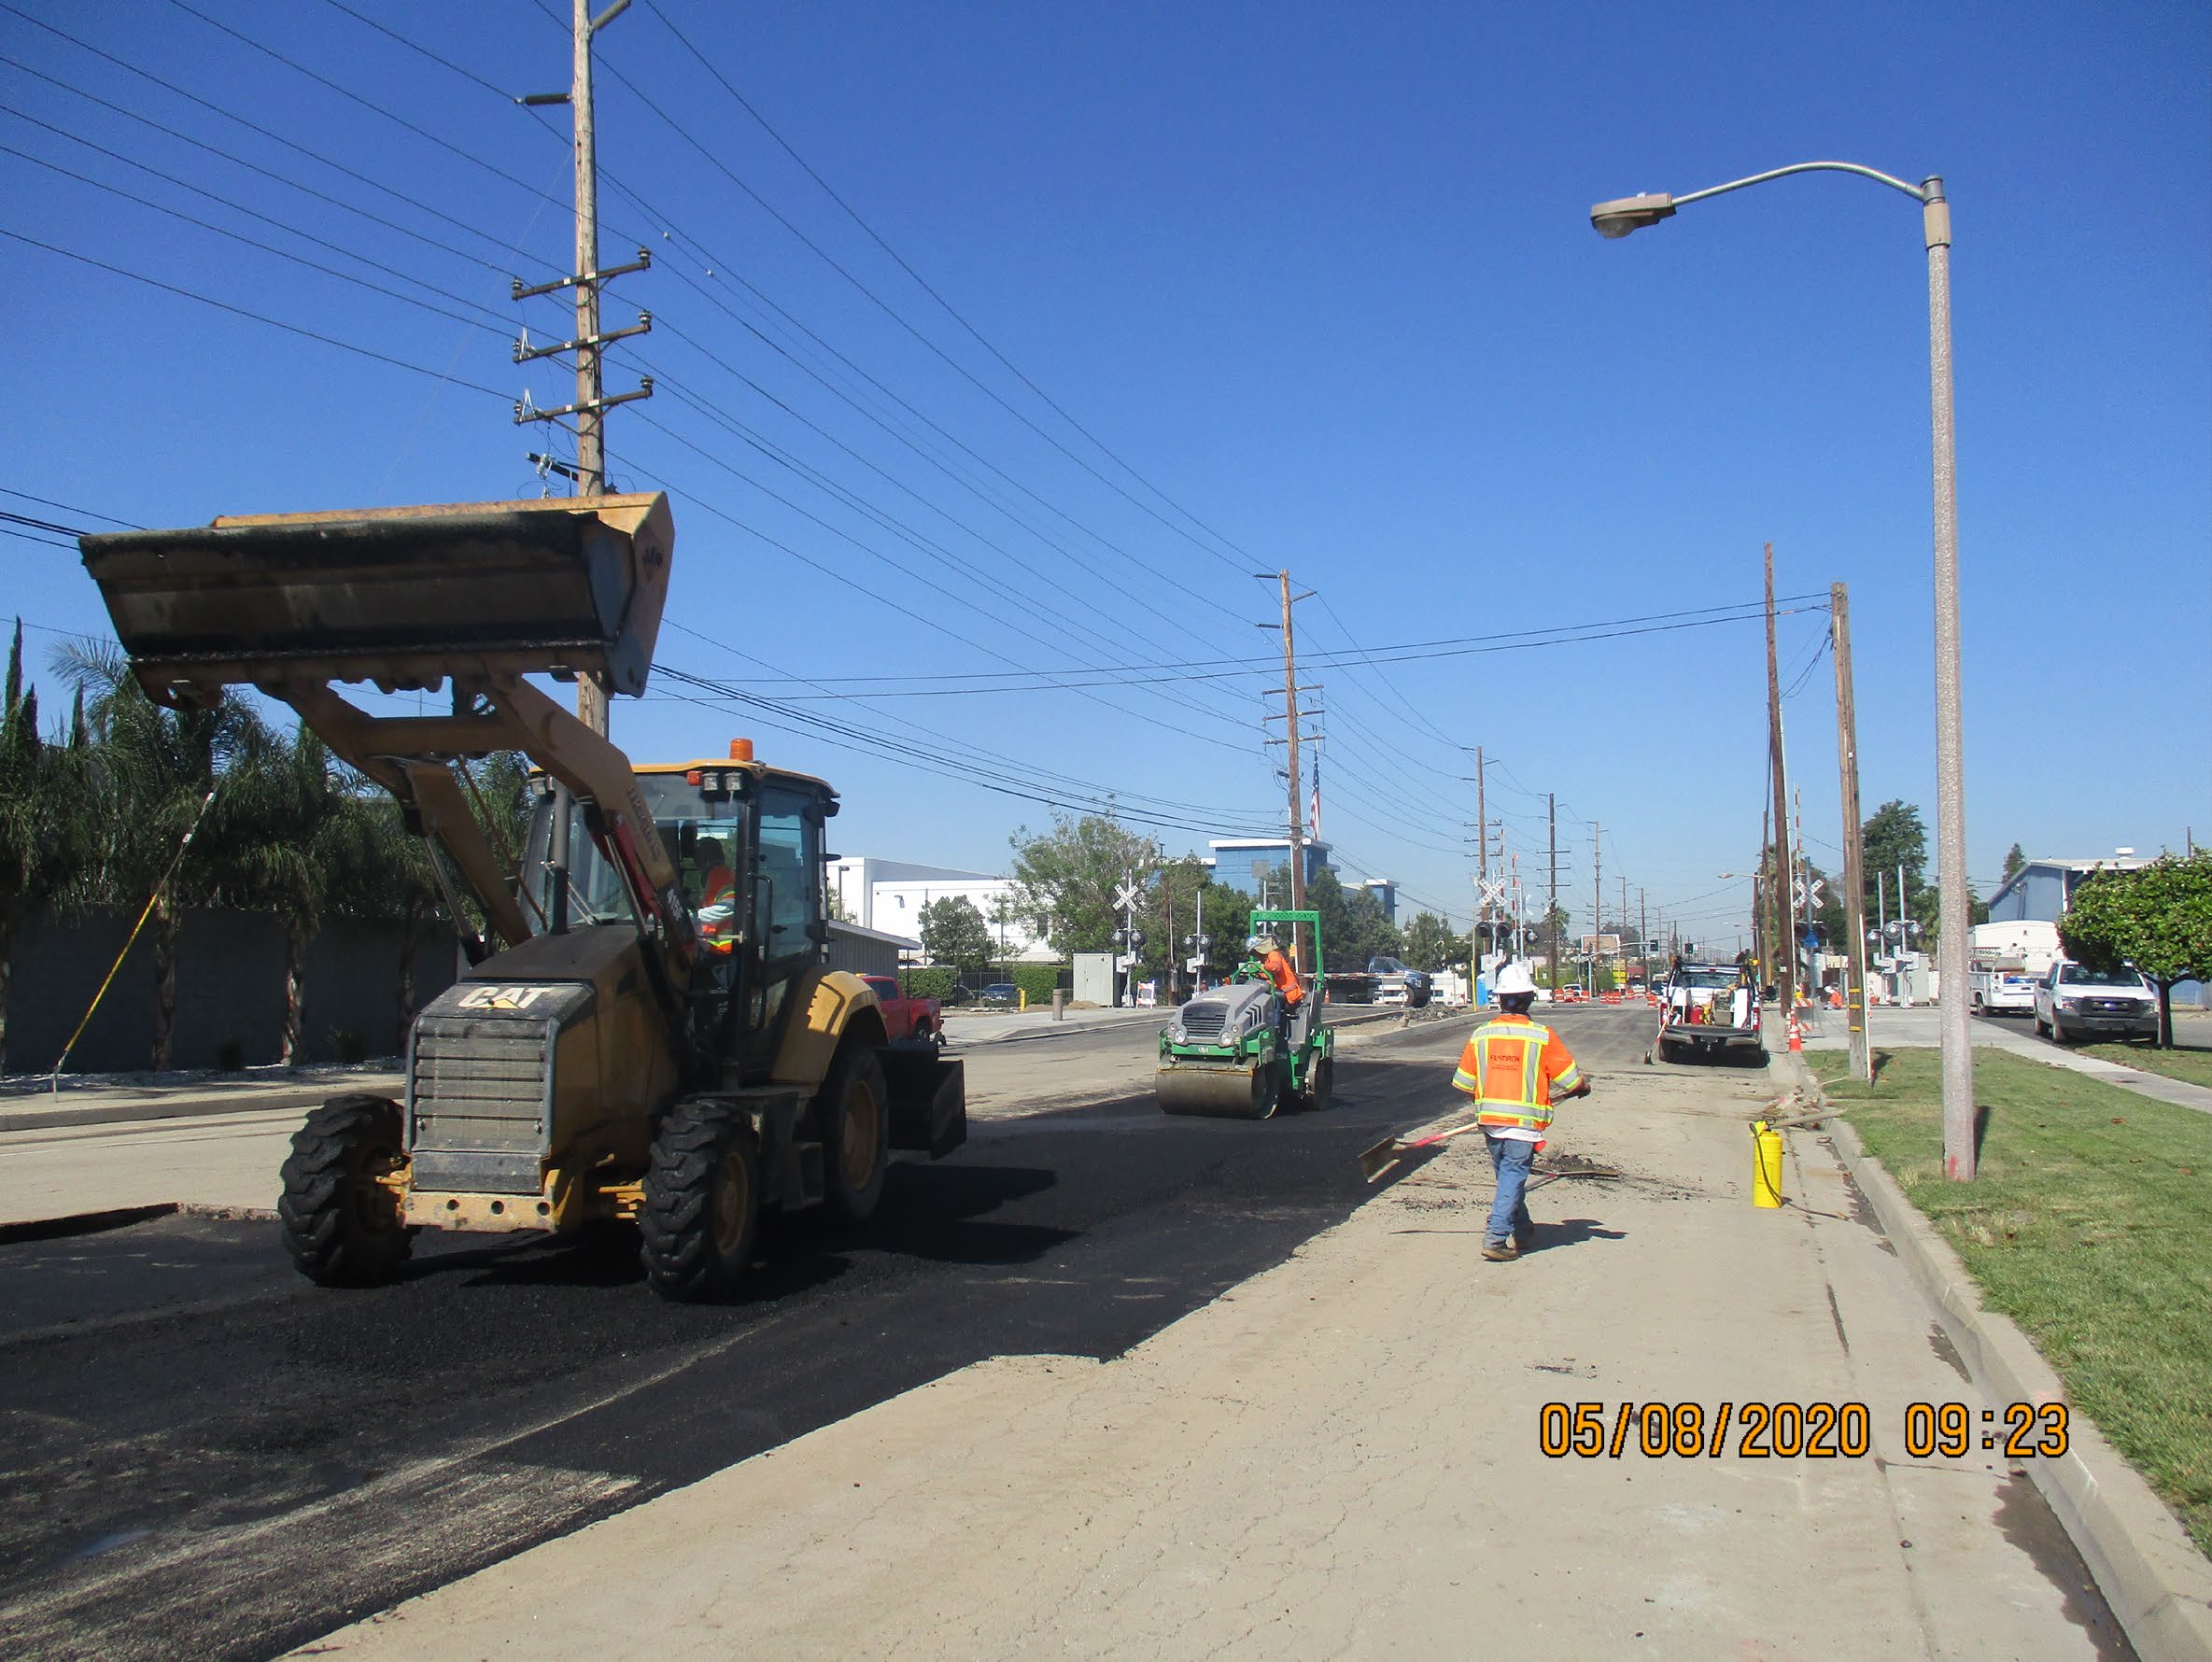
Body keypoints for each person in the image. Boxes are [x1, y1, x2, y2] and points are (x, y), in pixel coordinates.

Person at [1451, 960, 1589, 1262]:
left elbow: (1464, 1082)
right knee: (1513, 1177)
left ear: (1499, 999)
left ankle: (1523, 1230)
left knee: (1508, 1179)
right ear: (1528, 999)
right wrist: (1581, 1087)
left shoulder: (1481, 1035)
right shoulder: (1542, 1036)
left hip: (1491, 1124)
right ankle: (1496, 1237)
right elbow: (1571, 1079)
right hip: (1522, 1126)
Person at [1251, 932, 1304, 1052]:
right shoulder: (1265, 960)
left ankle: (1274, 1031)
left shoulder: (1273, 954)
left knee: (1271, 1000)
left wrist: (1262, 968)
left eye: (1255, 952)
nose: (1255, 956)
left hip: (1289, 994)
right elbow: (1267, 975)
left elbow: (1275, 967)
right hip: (1280, 991)